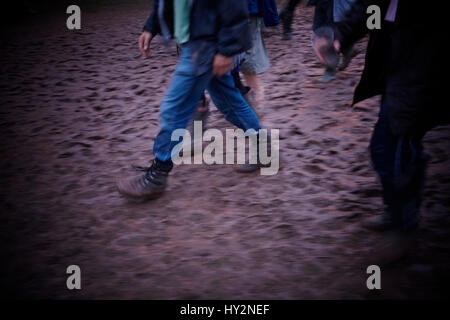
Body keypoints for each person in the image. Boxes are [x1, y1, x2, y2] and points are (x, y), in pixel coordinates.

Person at [314, 0, 448, 264]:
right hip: (398, 68)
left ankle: (404, 225)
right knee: (396, 147)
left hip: (424, 70)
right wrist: (340, 35)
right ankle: (396, 212)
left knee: (391, 149)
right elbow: (372, 7)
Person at [117, 0, 265, 200]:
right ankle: (265, 150)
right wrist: (152, 26)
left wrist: (227, 48)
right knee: (229, 103)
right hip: (196, 39)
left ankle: (157, 175)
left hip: (205, 42)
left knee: (174, 108)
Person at [240, 0, 279, 118]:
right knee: (243, 59)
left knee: (247, 58)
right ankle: (254, 99)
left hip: (247, 11)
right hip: (242, 11)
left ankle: (257, 99)